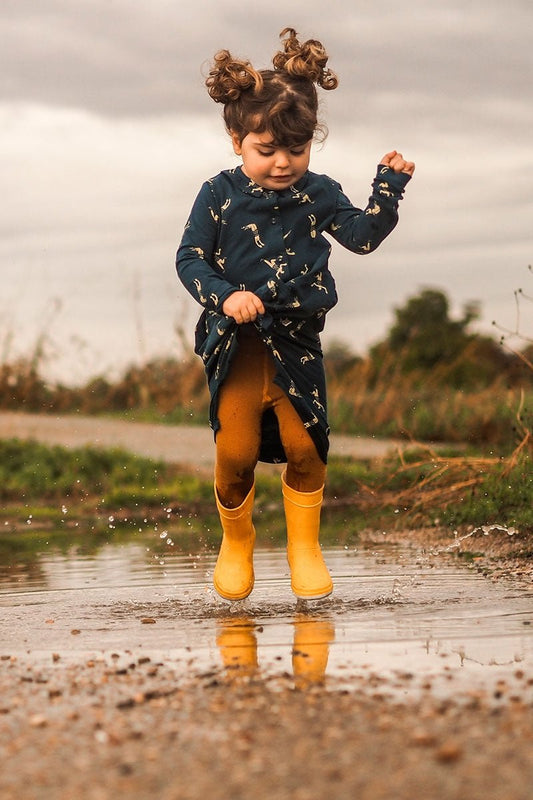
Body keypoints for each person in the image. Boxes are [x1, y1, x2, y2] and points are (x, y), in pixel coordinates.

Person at [176, 27, 414, 602]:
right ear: (237, 140)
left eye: (297, 148)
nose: (283, 163)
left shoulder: (320, 192)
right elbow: (189, 258)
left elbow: (360, 237)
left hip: (298, 345)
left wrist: (388, 189)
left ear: (311, 141)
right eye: (266, 150)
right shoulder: (219, 195)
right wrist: (225, 294)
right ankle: (237, 542)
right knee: (234, 457)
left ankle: (304, 547)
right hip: (236, 346)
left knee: (307, 449)